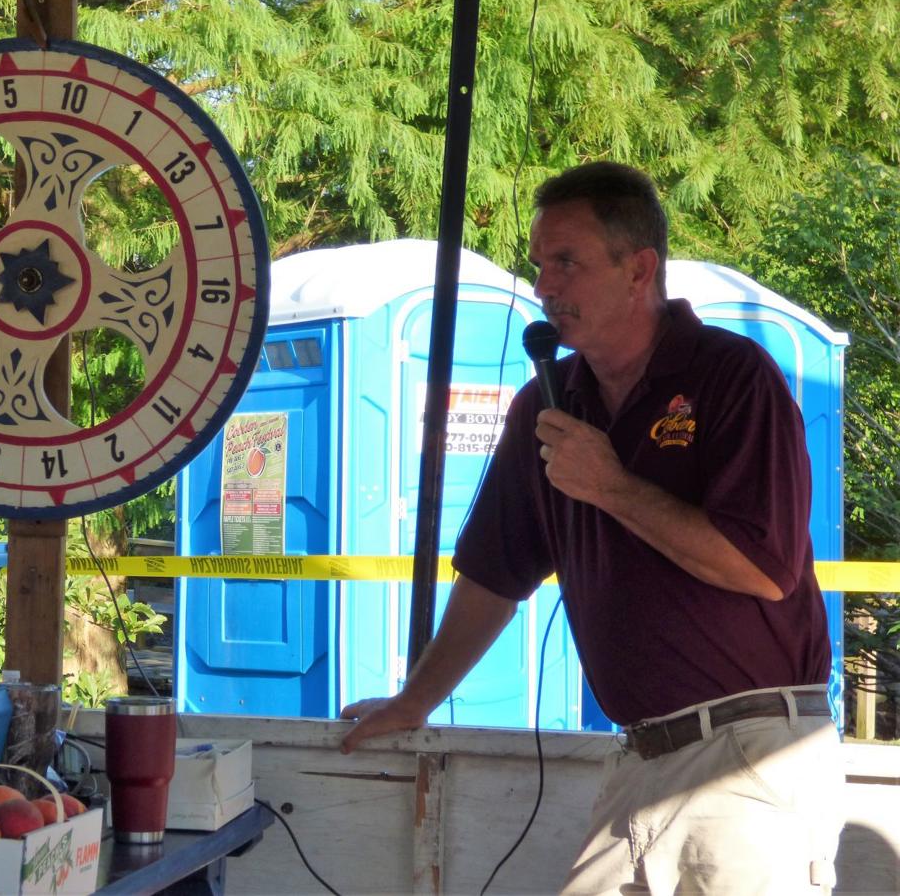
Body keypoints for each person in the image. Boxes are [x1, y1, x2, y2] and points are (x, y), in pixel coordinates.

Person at [339, 161, 844, 894]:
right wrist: (417, 697)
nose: (544, 286)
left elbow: (763, 569)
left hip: (749, 753)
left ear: (639, 269)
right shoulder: (548, 405)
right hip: (640, 756)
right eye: (539, 265)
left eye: (566, 262)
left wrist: (611, 487)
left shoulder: (732, 377)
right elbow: (494, 575)